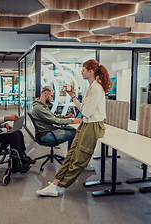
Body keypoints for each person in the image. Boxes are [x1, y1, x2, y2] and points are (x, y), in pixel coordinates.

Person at [36, 59, 112, 197]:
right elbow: (84, 109)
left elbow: (86, 112)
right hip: (86, 124)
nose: (81, 73)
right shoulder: (90, 87)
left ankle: (59, 186)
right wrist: (72, 96)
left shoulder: (96, 89)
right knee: (71, 155)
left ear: (91, 71)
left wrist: (78, 104)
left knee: (79, 159)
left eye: (83, 70)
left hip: (92, 125)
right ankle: (55, 183)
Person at [31, 86, 82, 150]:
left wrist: (65, 117)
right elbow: (55, 121)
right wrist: (73, 121)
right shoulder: (39, 108)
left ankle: (70, 157)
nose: (52, 98)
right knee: (76, 134)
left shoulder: (42, 105)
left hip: (50, 130)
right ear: (46, 94)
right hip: (47, 134)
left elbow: (52, 116)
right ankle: (70, 158)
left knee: (74, 130)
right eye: (51, 96)